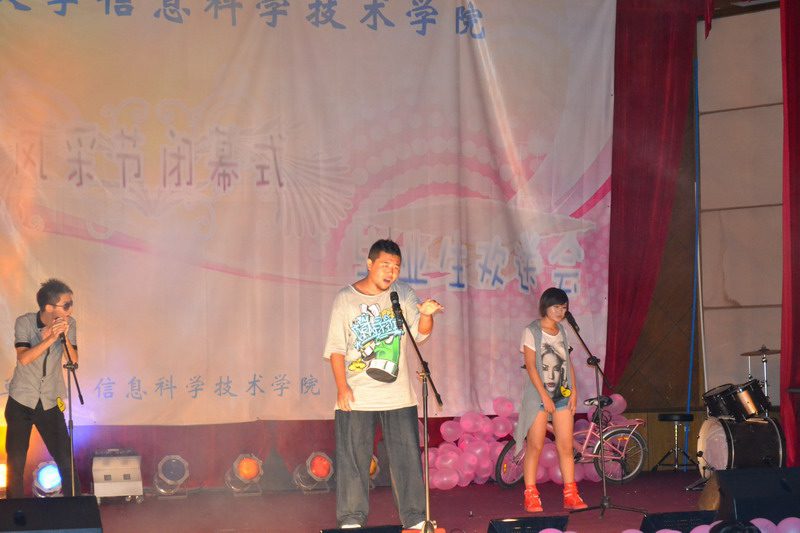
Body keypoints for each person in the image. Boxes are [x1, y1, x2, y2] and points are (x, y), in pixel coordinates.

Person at [323, 239, 444, 529]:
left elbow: (420, 335)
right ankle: (351, 519)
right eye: (385, 265)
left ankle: (415, 519)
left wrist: (426, 315)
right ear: (369, 264)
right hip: (357, 395)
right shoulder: (346, 298)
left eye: (396, 267)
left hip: (398, 395)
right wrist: (342, 388)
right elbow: (336, 349)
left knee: (406, 460)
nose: (391, 272)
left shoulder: (403, 294)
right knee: (354, 460)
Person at [512, 287, 587, 513]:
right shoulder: (532, 331)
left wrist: (573, 391)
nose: (560, 311)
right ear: (545, 306)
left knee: (565, 446)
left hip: (562, 394)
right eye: (556, 307)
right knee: (535, 445)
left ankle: (570, 494)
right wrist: (544, 396)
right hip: (538, 396)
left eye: (564, 307)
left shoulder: (562, 330)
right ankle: (531, 495)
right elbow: (531, 367)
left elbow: (567, 362)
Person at [5, 279, 80, 497]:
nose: (70, 309)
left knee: (65, 457)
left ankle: (75, 507)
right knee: (16, 461)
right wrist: (49, 338)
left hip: (50, 400)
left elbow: (74, 360)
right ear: (49, 307)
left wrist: (63, 337)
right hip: (21, 400)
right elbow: (24, 358)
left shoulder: (70, 324)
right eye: (66, 305)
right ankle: (16, 511)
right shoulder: (25, 322)